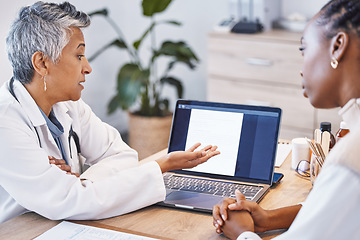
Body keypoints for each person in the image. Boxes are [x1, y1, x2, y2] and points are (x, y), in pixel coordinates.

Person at [0, 1, 220, 224]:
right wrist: (161, 165)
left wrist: (79, 185)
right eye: (79, 56)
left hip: (61, 224)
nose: (88, 67)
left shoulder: (67, 105)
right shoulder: (5, 122)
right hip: (19, 230)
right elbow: (69, 201)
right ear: (42, 63)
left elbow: (122, 156)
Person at [212, 0, 360, 239]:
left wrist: (243, 234)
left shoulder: (350, 158)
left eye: (305, 49)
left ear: (338, 46)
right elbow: (339, 211)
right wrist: (268, 219)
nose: (302, 69)